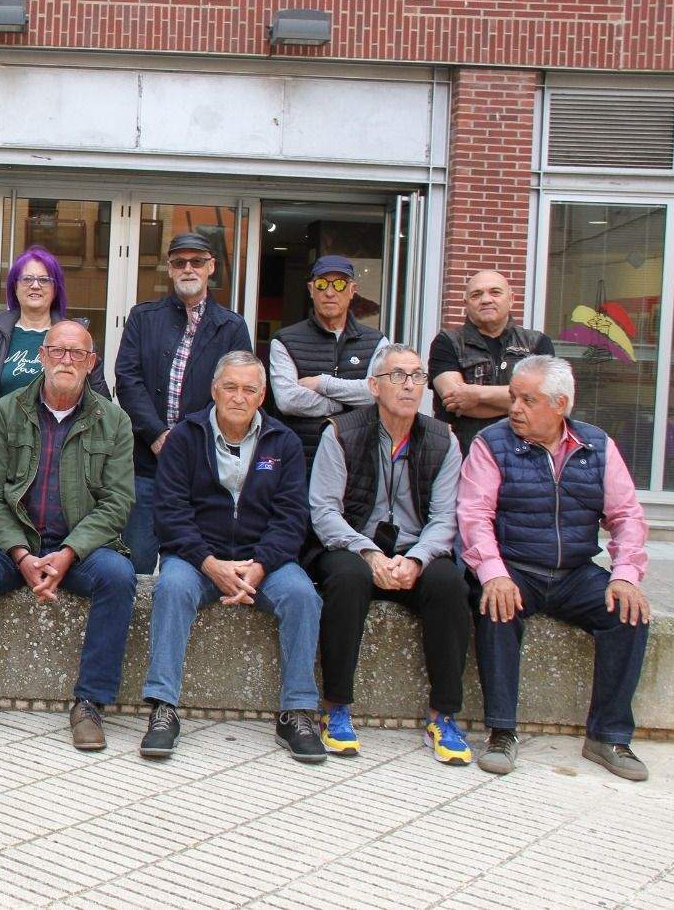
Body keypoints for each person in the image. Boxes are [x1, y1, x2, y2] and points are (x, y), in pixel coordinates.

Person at [459, 355, 652, 781]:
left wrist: (625, 574)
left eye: (528, 400)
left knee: (629, 614)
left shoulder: (595, 445)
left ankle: (608, 736)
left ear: (560, 404)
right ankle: (502, 732)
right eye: (513, 397)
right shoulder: (491, 443)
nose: (515, 408)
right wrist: (493, 572)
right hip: (516, 567)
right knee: (496, 606)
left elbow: (627, 516)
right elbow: (474, 514)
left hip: (576, 572)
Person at [0, 320, 136, 751]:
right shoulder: (5, 411)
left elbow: (118, 502)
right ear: (41, 356)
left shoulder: (114, 421)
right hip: (16, 546)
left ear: (92, 364)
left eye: (77, 354)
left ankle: (89, 702)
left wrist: (70, 553)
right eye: (57, 351)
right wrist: (19, 553)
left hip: (82, 550)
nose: (65, 361)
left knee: (120, 576)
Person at [138, 351, 324, 764]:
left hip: (265, 562)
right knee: (170, 588)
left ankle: (297, 711)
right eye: (230, 387)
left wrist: (259, 567)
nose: (239, 397)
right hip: (197, 559)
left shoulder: (284, 442)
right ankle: (163, 708)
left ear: (262, 396)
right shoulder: (184, 437)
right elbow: (170, 513)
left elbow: (292, 517)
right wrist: (209, 563)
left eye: (249, 389)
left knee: (302, 597)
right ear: (213, 390)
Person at [306, 345, 470, 763]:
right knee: (346, 579)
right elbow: (324, 511)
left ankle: (444, 715)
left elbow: (447, 517)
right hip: (351, 545)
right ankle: (336, 708)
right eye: (397, 376)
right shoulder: (341, 432)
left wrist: (417, 559)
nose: (409, 385)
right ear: (374, 386)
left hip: (415, 551)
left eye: (417, 376)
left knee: (450, 584)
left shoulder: (443, 439)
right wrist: (368, 553)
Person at [115, 232, 252, 574]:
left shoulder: (231, 326)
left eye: (197, 262)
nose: (188, 269)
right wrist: (158, 435)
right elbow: (128, 380)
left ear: (211, 267)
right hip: (145, 464)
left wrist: (187, 439)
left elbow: (237, 390)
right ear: (170, 269)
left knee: (192, 568)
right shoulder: (143, 318)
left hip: (203, 467)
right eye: (179, 262)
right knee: (137, 566)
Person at [0, 246, 110, 435]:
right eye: (27, 279)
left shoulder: (76, 336)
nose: (35, 285)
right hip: (3, 452)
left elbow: (101, 404)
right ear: (14, 286)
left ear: (55, 288)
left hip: (61, 451)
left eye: (44, 280)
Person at [268, 255, 387, 474]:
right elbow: (287, 400)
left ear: (352, 290)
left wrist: (321, 383)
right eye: (322, 284)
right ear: (311, 289)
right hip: (299, 461)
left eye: (339, 284)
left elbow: (377, 395)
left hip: (358, 461)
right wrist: (347, 403)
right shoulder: (285, 340)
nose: (330, 292)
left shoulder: (377, 342)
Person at [429, 270, 554, 453]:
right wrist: (524, 400)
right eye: (476, 294)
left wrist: (476, 395)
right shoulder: (447, 342)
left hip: (526, 456)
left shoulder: (537, 343)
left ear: (511, 299)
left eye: (495, 292)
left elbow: (545, 399)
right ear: (466, 303)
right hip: (462, 455)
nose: (486, 299)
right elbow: (455, 399)